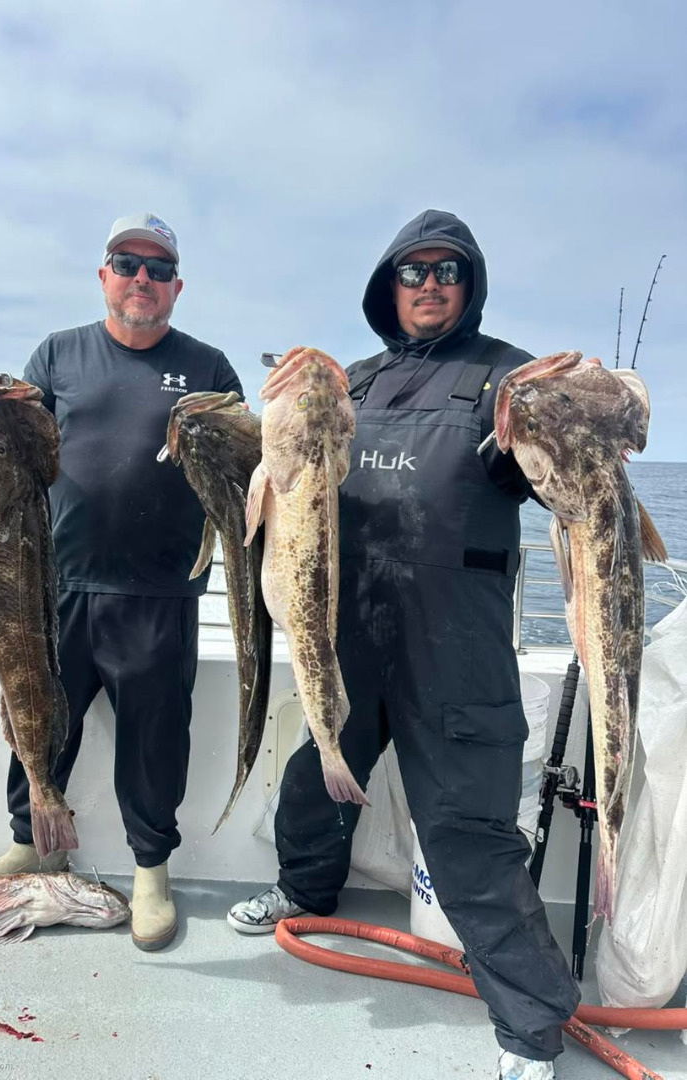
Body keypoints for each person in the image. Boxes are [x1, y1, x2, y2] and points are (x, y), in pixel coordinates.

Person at [227, 210, 580, 1079]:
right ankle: (305, 889)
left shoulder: (506, 379)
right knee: (317, 773)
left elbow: (544, 473)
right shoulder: (356, 380)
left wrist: (558, 415)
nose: (429, 284)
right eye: (412, 271)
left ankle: (530, 1024)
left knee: (468, 831)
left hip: (454, 645)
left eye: (446, 269)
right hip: (350, 626)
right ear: (389, 286)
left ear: (470, 282)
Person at [0, 212, 243, 952]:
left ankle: (152, 869)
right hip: (54, 588)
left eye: (157, 268)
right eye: (127, 263)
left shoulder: (209, 366)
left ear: (176, 286)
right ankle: (31, 840)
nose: (141, 278)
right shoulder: (57, 355)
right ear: (104, 276)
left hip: (160, 591)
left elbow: (241, 462)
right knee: (38, 716)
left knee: (154, 738)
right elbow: (16, 458)